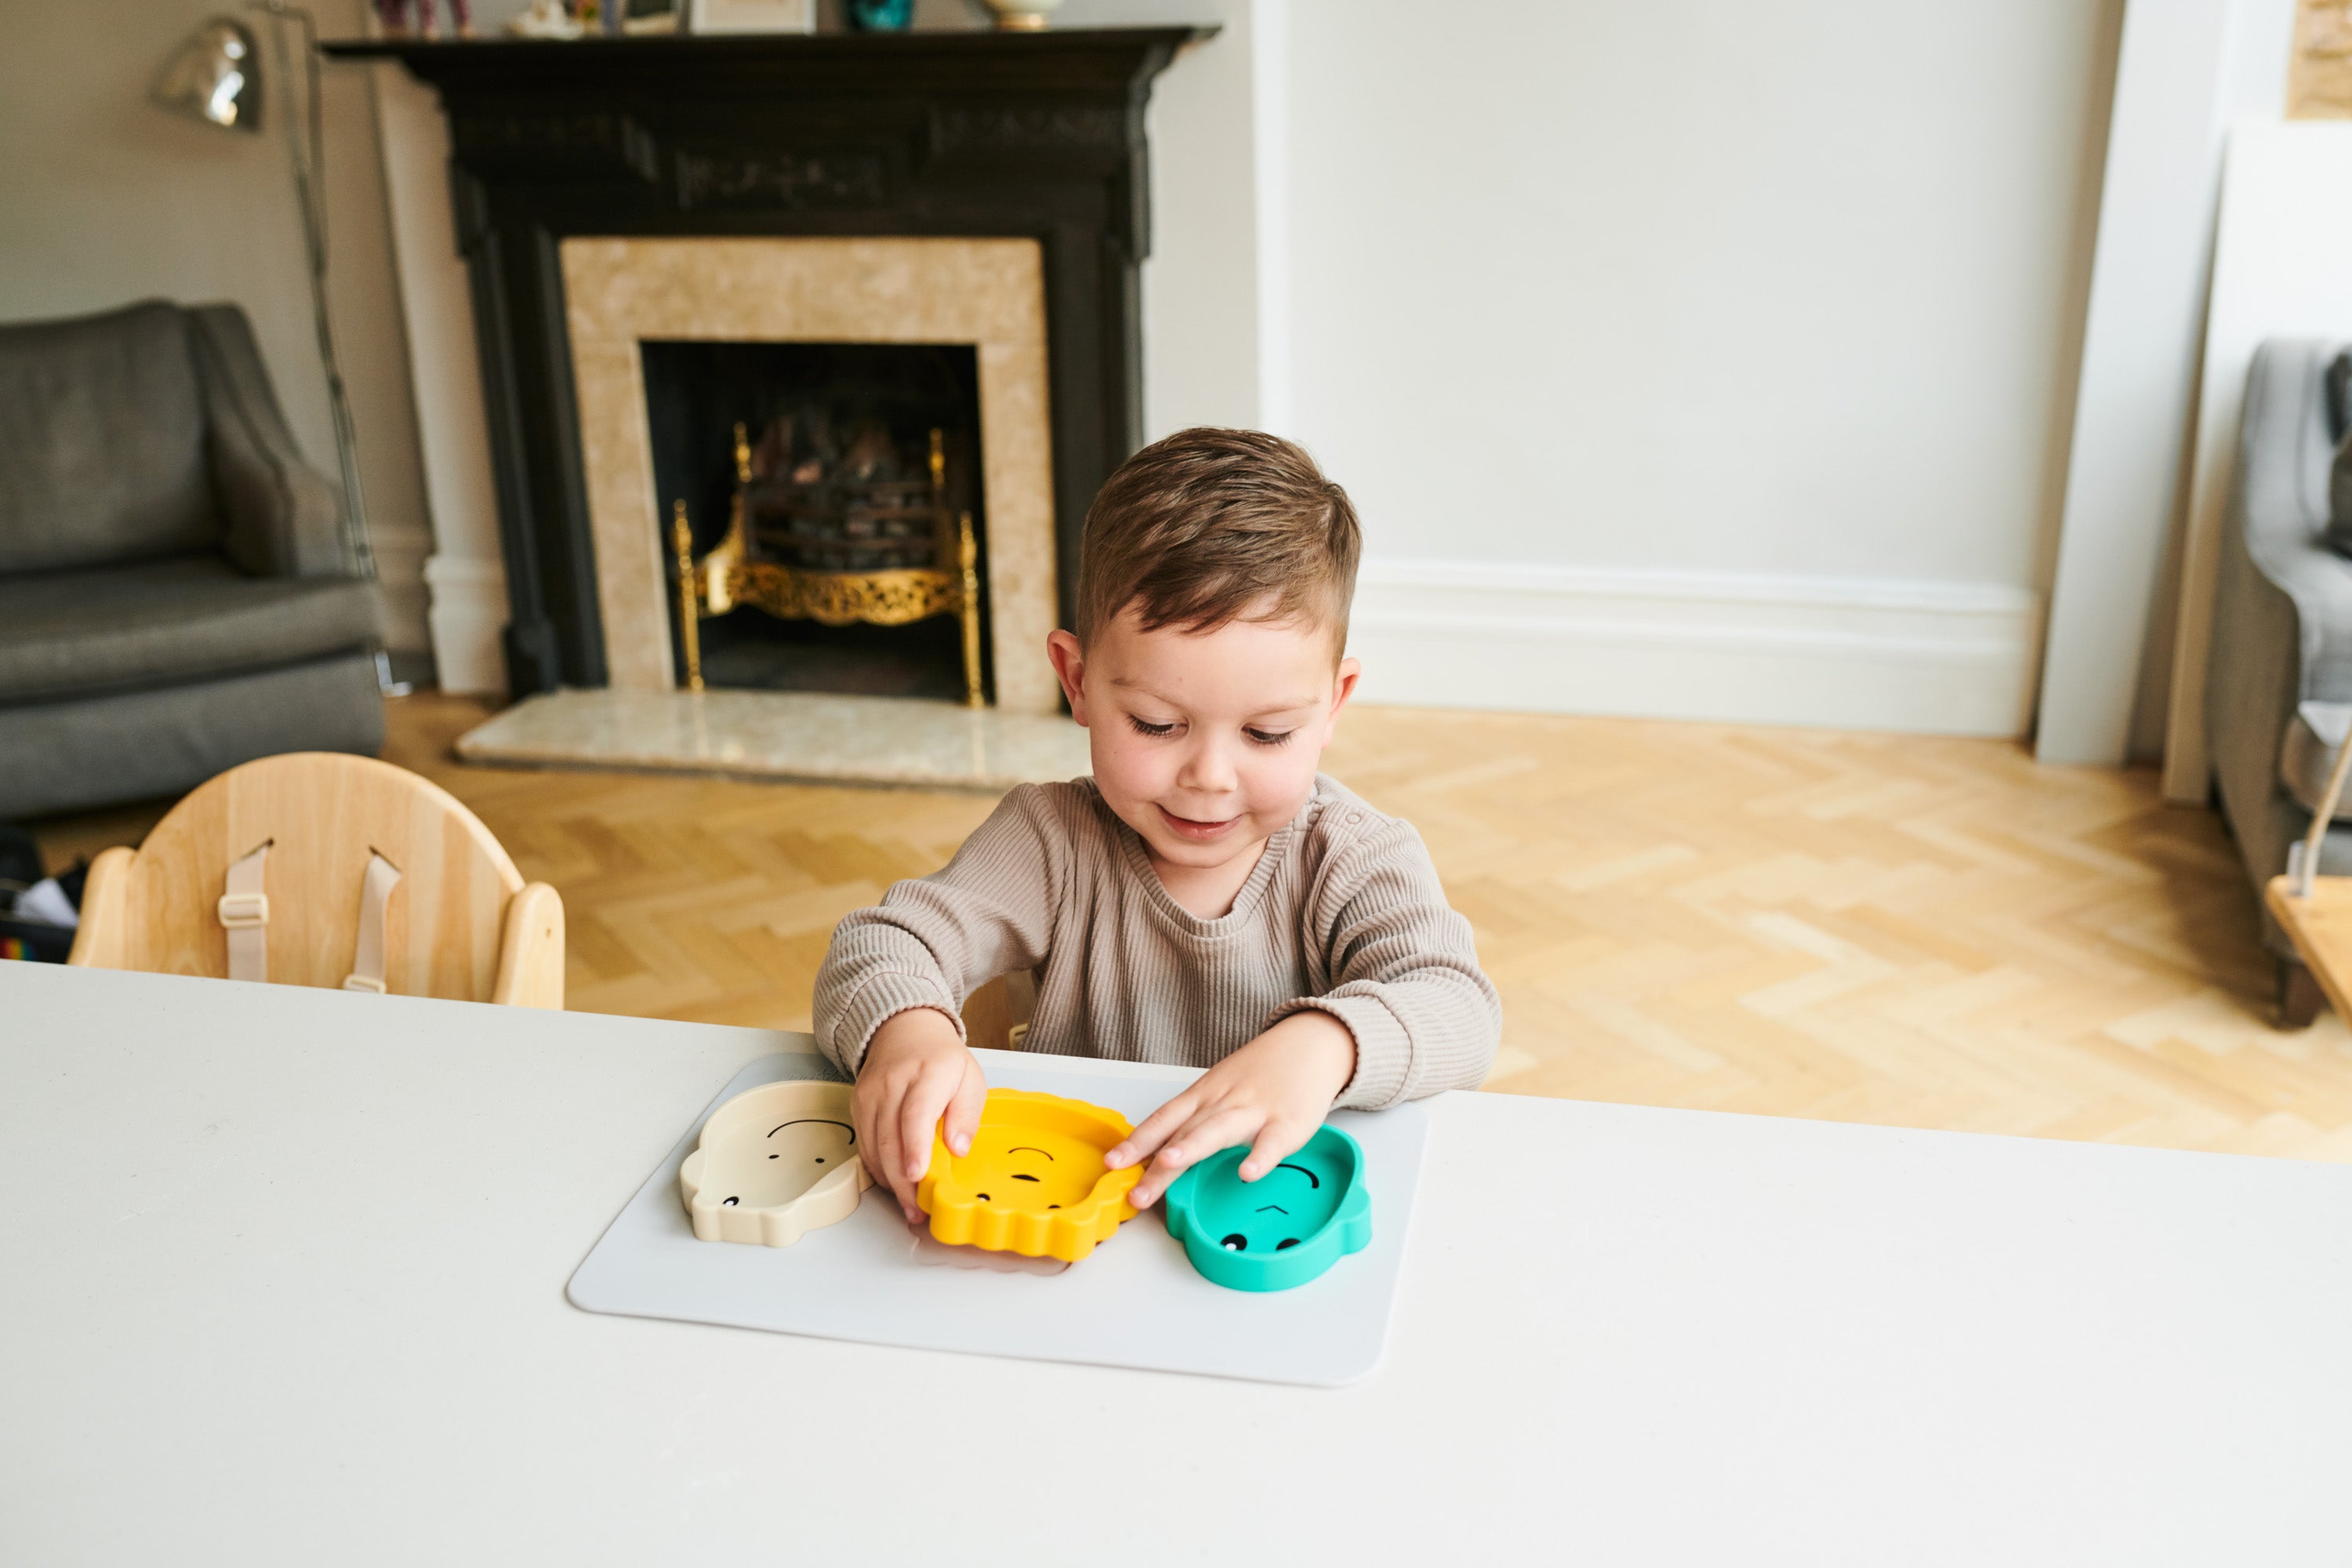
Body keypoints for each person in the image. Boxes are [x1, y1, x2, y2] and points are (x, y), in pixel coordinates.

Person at [812, 426, 1501, 1222]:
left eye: (1267, 733)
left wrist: (1329, 1044)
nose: (1209, 776)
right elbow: (879, 941)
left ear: (1333, 706)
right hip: (1070, 1212)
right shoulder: (1050, 839)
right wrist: (907, 1030)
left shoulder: (1351, 855)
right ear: (1077, 681)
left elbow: (1459, 1007)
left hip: (1262, 1214)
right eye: (1155, 723)